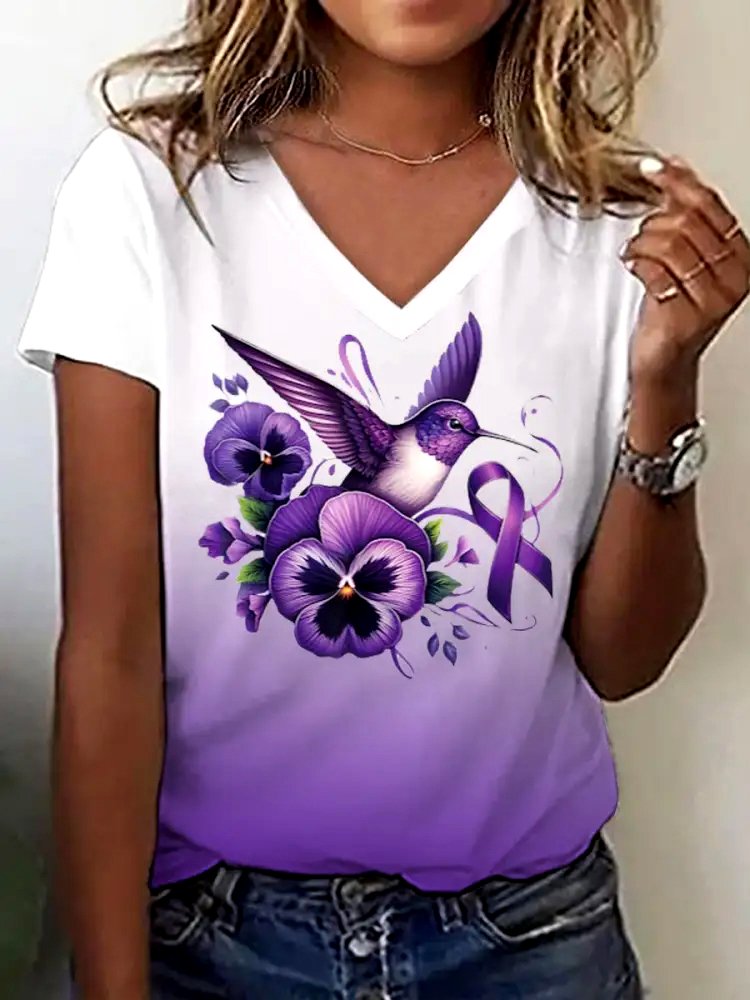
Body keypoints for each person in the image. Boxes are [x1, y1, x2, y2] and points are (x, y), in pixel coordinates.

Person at [17, 1, 749, 997]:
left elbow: (625, 660)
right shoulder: (153, 191)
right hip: (211, 939)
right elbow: (109, 655)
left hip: (529, 943)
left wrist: (667, 379)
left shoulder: (624, 222)